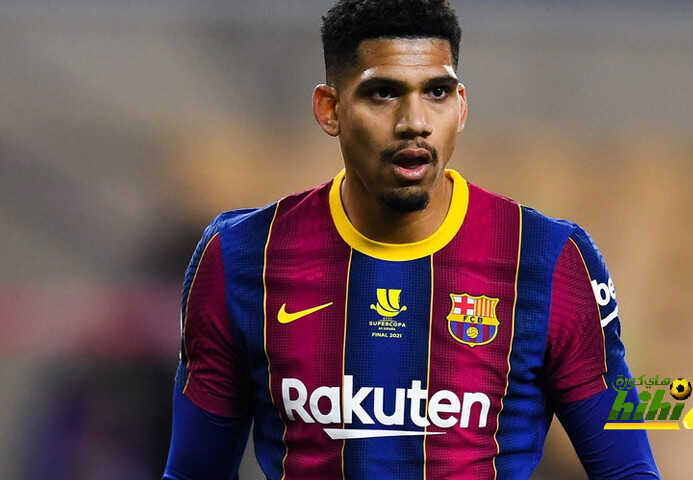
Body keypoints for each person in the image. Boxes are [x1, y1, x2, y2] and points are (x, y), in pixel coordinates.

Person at [163, 1, 660, 479]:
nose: (415, 123)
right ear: (330, 109)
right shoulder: (241, 256)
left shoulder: (550, 260)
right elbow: (192, 472)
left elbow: (628, 470)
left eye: (437, 92)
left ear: (461, 106)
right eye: (383, 93)